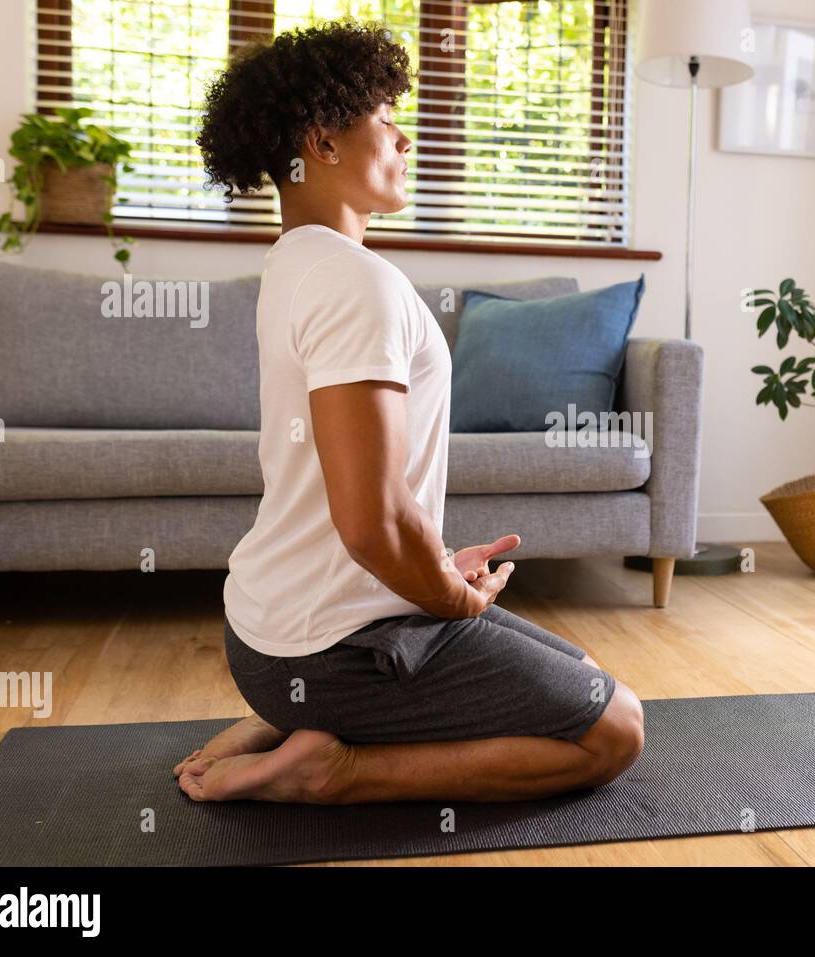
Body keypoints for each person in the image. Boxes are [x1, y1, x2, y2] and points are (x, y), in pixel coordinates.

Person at [172, 19, 644, 804]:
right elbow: (372, 523)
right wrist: (448, 596)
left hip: (275, 632)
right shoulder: (356, 283)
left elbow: (364, 512)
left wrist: (426, 570)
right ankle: (335, 767)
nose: (405, 139)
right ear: (323, 143)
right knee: (614, 727)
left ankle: (283, 723)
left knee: (586, 675)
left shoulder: (295, 263)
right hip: (330, 647)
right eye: (387, 119)